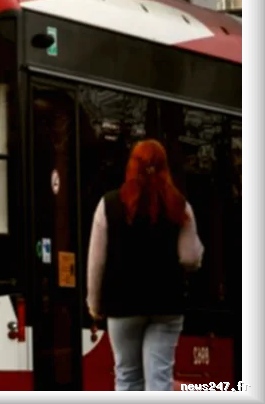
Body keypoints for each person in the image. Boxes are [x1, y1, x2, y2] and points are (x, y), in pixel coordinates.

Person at [86, 139, 204, 392]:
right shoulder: (180, 205)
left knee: (127, 377)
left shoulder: (108, 204)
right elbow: (190, 257)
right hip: (166, 305)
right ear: (164, 168)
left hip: (122, 305)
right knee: (159, 380)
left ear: (131, 166)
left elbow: (96, 262)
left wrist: (95, 305)